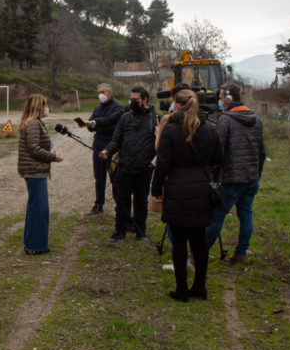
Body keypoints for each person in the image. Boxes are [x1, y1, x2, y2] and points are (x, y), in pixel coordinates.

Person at [151, 89, 223, 302]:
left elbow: (162, 164)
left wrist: (156, 190)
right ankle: (200, 287)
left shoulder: (171, 130)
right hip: (202, 188)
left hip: (177, 188)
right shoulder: (210, 130)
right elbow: (219, 158)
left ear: (177, 105)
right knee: (199, 240)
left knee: (179, 241)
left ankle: (182, 288)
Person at [205, 84, 266, 263]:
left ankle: (198, 252)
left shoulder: (226, 120)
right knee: (246, 215)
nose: (220, 101)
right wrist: (257, 173)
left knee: (217, 216)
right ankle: (241, 252)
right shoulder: (256, 118)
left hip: (231, 178)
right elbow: (262, 151)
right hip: (251, 177)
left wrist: (213, 175)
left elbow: (218, 150)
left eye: (222, 97)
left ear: (229, 99)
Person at [100, 86, 158, 242]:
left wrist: (152, 163)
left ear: (145, 100)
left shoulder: (155, 118)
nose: (132, 103)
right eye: (130, 100)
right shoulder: (125, 118)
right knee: (122, 200)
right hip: (124, 166)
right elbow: (116, 140)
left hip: (144, 168)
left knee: (141, 201)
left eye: (135, 100)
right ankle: (120, 231)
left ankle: (140, 231)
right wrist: (107, 151)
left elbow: (160, 144)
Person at [17, 93, 63, 254]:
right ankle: (36, 246)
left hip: (35, 171)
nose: (47, 108)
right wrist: (53, 157)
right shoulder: (33, 124)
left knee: (35, 208)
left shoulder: (35, 123)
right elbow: (34, 149)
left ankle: (33, 244)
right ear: (38, 107)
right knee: (39, 210)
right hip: (34, 171)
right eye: (44, 105)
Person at [80, 83, 124, 215]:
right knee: (99, 177)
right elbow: (89, 126)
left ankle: (119, 208)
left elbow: (116, 126)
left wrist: (98, 125)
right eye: (99, 92)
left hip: (112, 146)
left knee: (115, 179)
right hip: (98, 145)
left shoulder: (118, 108)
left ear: (110, 93)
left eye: (103, 92)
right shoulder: (97, 108)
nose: (101, 94)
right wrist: (98, 125)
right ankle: (99, 204)